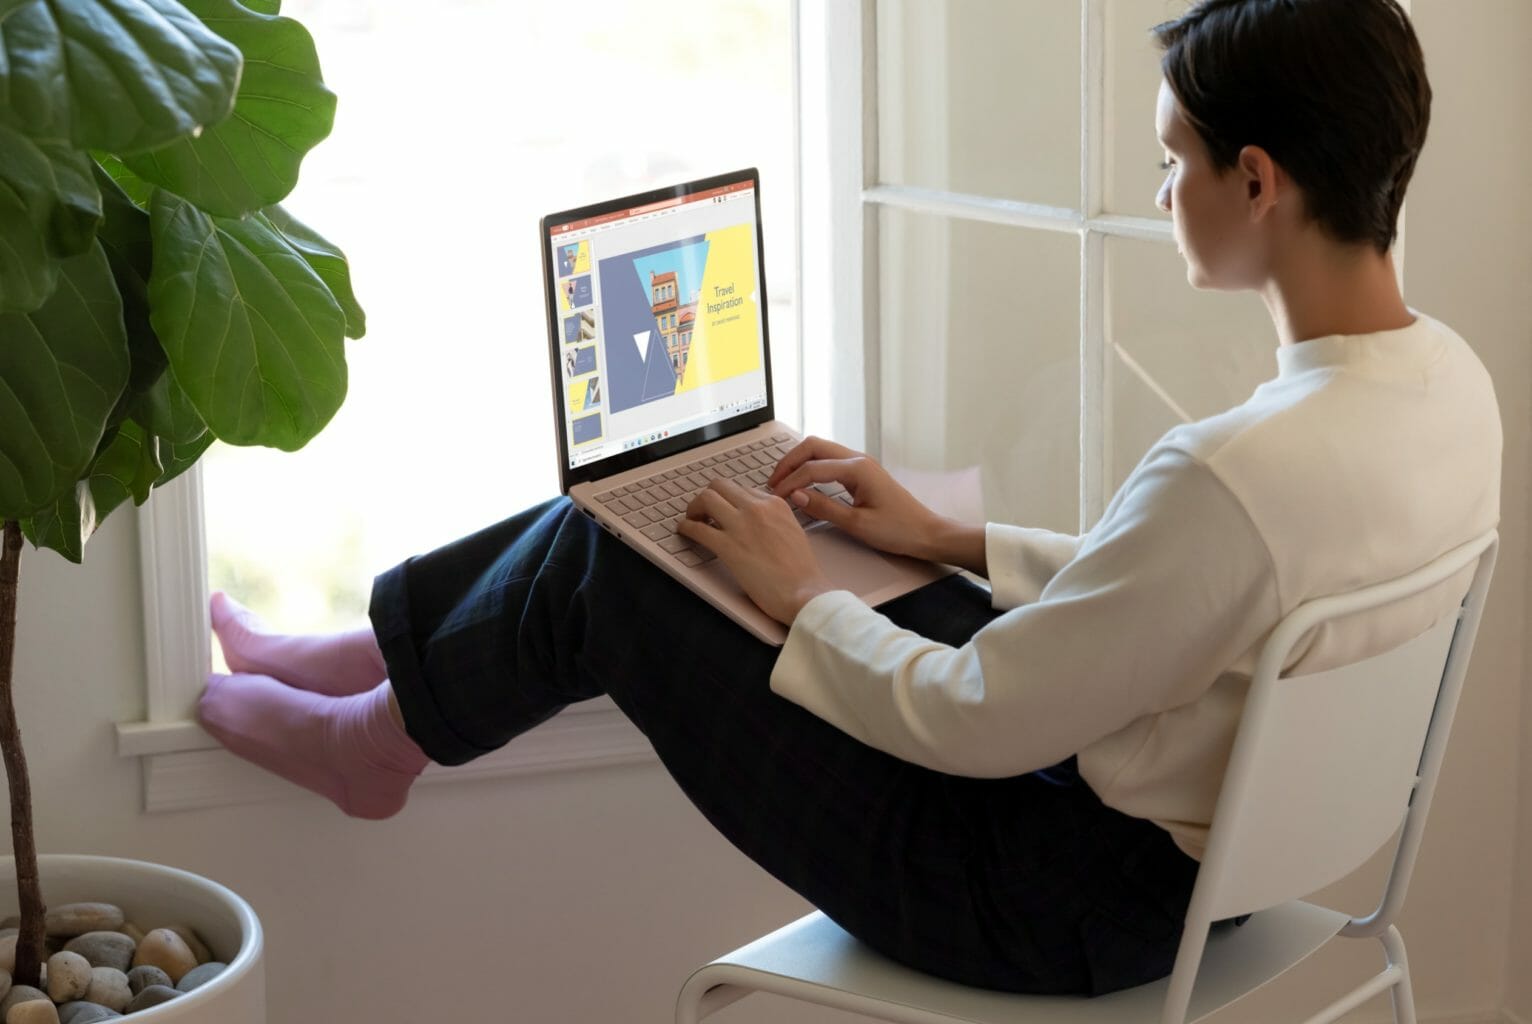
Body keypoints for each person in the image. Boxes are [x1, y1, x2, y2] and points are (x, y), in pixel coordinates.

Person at [196, 0, 1500, 998]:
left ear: (1259, 182)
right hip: (1209, 876)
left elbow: (982, 713)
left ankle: (383, 736)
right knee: (671, 503)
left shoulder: (1236, 472)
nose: (1164, 192)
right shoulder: (1449, 391)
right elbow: (1191, 596)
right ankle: (390, 663)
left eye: (1175, 162)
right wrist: (940, 539)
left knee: (632, 562)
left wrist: (803, 596)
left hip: (1041, 900)